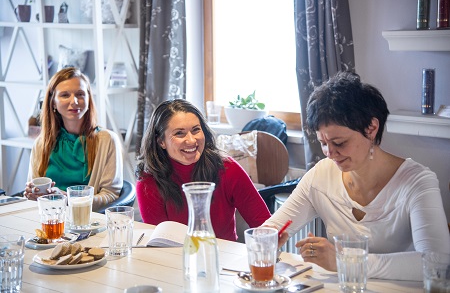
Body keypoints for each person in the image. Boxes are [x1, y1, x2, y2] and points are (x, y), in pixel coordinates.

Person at [266, 71, 450, 281]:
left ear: (371, 128)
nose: (329, 153)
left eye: (339, 143)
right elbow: (272, 228)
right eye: (323, 143)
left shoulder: (417, 182)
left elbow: (438, 262)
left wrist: (346, 260)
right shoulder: (321, 175)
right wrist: (267, 237)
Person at [135, 99, 271, 241]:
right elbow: (159, 243)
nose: (192, 140)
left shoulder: (227, 169)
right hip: (173, 258)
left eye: (196, 130)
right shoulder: (148, 180)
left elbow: (264, 225)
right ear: (161, 141)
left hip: (225, 257)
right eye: (179, 133)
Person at [24, 67, 123, 211]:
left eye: (80, 94)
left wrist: (68, 200)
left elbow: (111, 195)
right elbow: (33, 189)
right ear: (53, 102)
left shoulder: (107, 140)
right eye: (65, 95)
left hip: (88, 223)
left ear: (89, 99)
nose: (74, 101)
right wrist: (32, 194)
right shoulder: (41, 143)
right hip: (48, 219)